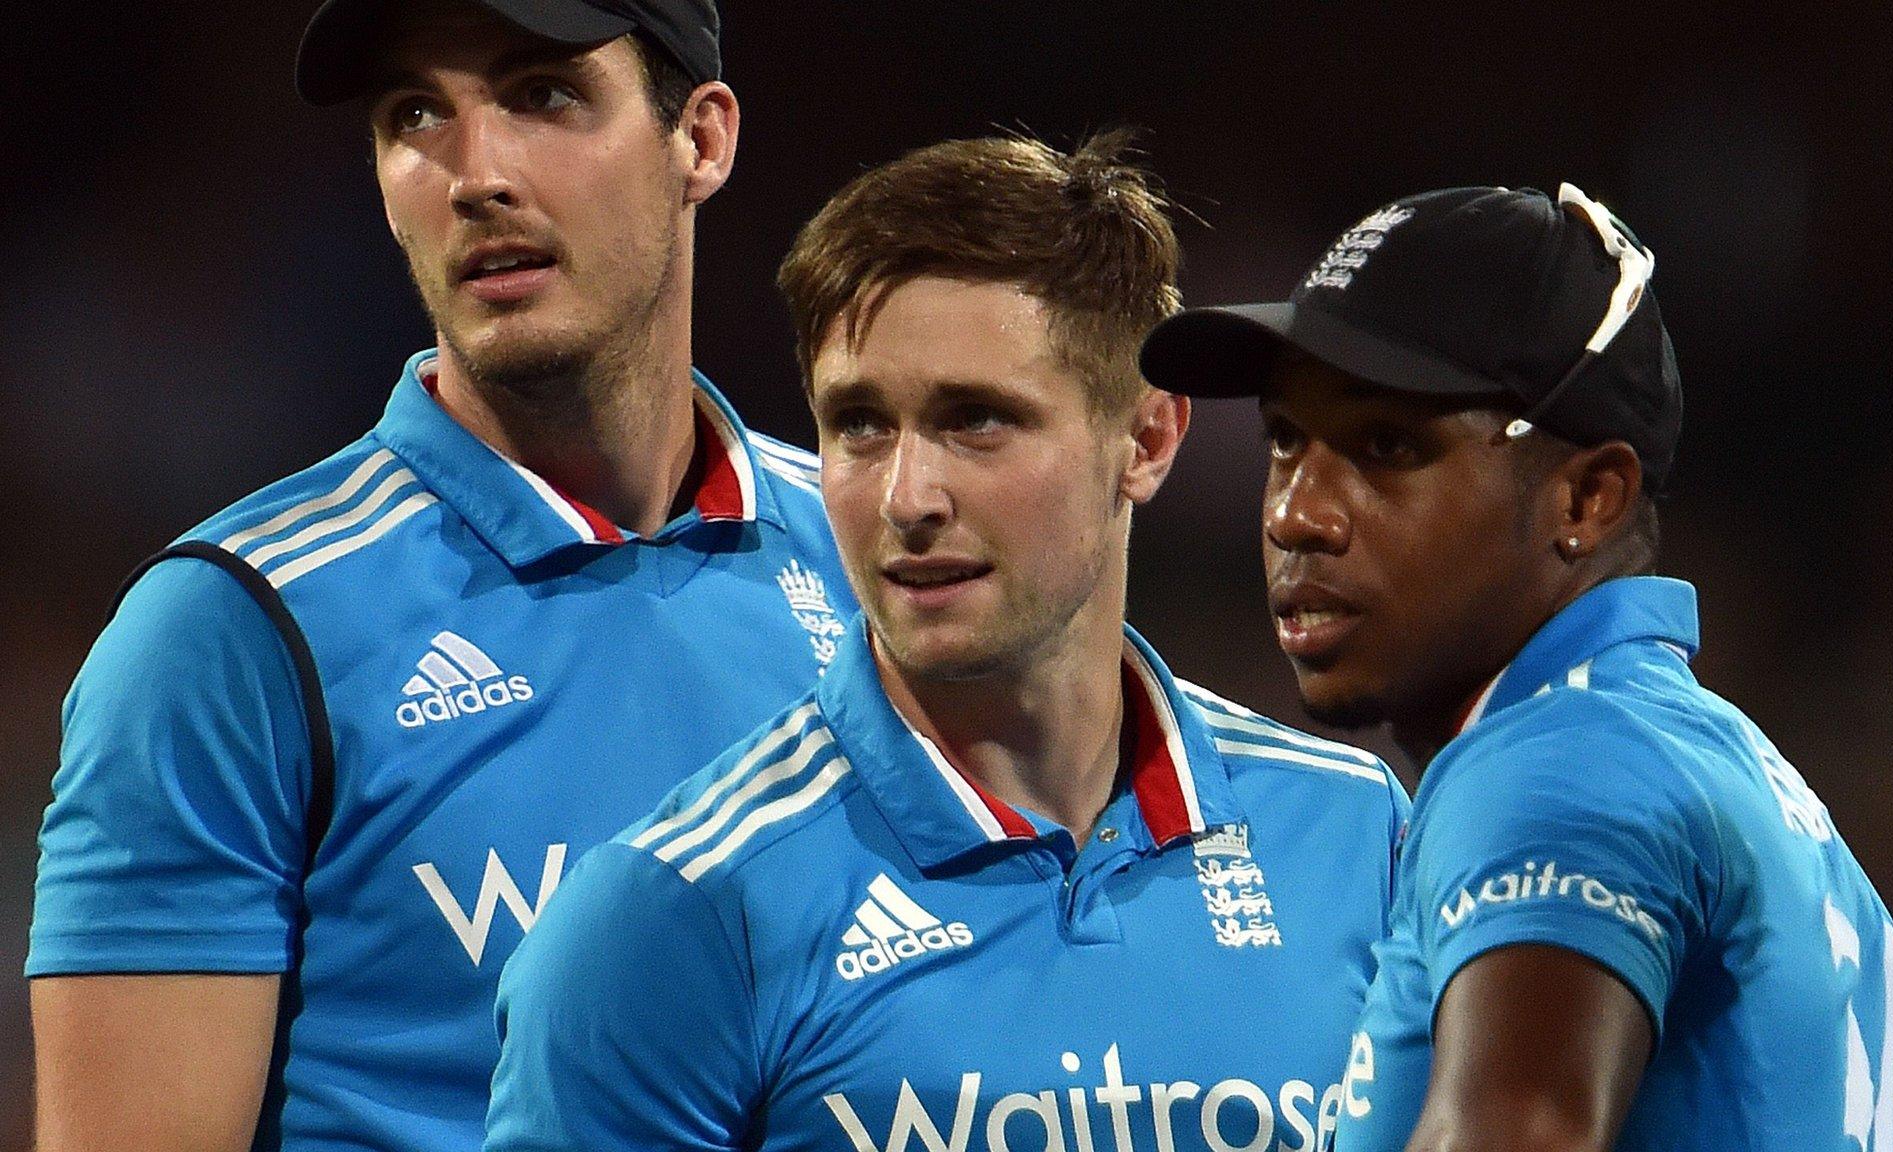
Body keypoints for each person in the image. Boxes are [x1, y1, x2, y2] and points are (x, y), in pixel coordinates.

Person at [27, 2, 855, 1150]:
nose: (475, 174)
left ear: (700, 141)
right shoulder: (230, 635)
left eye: (543, 95)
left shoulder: (874, 560)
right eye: (415, 114)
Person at [483, 132, 1410, 1152]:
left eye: (975, 421)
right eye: (859, 424)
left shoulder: (1355, 836)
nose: (906, 498)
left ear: (1144, 439)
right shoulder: (670, 919)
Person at [1138, 184, 1893, 1151]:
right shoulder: (1743, 779)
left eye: (1386, 445)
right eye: (1286, 441)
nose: (1296, 514)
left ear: (1588, 498)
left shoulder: (1555, 772)